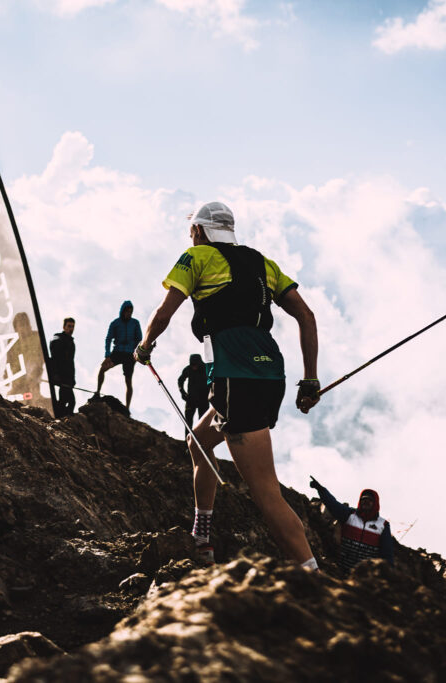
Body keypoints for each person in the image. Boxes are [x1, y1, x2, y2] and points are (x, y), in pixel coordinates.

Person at [133, 201, 322, 569]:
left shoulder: (196, 257)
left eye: (192, 231)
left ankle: (316, 580)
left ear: (200, 231)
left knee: (266, 493)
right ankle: (202, 538)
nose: (191, 237)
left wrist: (144, 346)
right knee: (199, 442)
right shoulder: (262, 263)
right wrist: (310, 378)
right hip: (268, 373)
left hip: (238, 377)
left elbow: (163, 313)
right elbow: (306, 315)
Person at [309, 477, 395, 572]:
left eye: (369, 500)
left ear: (375, 504)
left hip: (365, 575)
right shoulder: (349, 514)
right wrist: (321, 489)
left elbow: (387, 553)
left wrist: (388, 573)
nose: (366, 502)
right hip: (341, 569)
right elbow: (333, 504)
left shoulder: (383, 525)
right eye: (363, 499)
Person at [96, 301, 142, 411]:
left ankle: (127, 407)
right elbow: (108, 339)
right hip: (117, 352)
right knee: (103, 368)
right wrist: (107, 355)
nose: (129, 314)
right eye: (127, 311)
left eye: (131, 312)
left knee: (128, 380)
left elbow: (139, 339)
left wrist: (137, 355)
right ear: (123, 311)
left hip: (130, 355)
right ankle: (97, 392)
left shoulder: (135, 323)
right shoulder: (115, 323)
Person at [49, 317, 77, 417]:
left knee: (67, 401)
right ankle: (60, 418)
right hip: (60, 375)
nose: (71, 329)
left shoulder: (71, 343)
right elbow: (55, 356)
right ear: (64, 327)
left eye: (73, 327)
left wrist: (73, 378)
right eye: (69, 326)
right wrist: (55, 373)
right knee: (70, 402)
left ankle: (60, 417)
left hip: (67, 377)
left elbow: (71, 362)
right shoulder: (57, 338)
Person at [178, 353, 210, 428]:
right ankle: (187, 439)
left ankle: (202, 439)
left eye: (195, 365)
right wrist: (182, 392)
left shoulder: (207, 368)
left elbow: (214, 382)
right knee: (188, 421)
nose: (194, 367)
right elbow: (180, 380)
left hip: (204, 399)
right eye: (192, 365)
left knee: (203, 422)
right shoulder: (188, 369)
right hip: (191, 398)